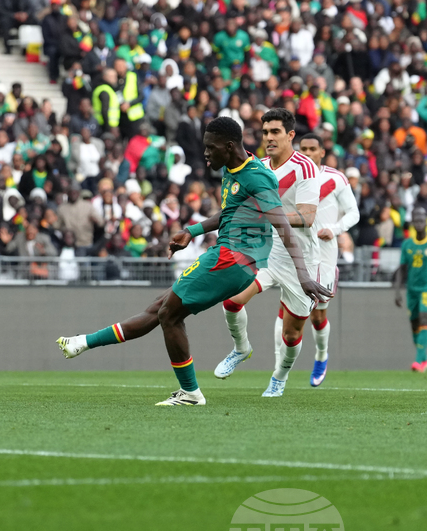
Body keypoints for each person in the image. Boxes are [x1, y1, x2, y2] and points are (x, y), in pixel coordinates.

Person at [56, 118, 329, 406]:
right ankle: (82, 343)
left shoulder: (257, 177)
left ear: (229, 146)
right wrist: (192, 231)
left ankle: (190, 393)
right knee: (159, 309)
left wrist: (303, 275)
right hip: (229, 257)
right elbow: (230, 213)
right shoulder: (232, 168)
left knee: (168, 316)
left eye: (211, 148)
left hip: (233, 259)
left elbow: (283, 227)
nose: (206, 154)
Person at [216, 109, 323, 397]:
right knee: (232, 299)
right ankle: (241, 349)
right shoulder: (258, 167)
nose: (269, 138)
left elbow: (307, 215)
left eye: (275, 132)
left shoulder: (306, 168)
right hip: (266, 253)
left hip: (301, 258)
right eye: (265, 133)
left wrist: (269, 213)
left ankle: (280, 376)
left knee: (290, 335)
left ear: (290, 135)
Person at [296, 133, 359, 386]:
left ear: (322, 152)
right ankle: (280, 372)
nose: (308, 153)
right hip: (296, 253)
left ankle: (321, 355)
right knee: (287, 311)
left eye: (313, 149)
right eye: (304, 149)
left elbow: (354, 213)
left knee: (318, 315)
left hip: (324, 255)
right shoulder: (292, 177)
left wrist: (334, 229)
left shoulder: (335, 178)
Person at [396, 207, 427, 372]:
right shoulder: (407, 244)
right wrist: (397, 292)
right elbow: (402, 268)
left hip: (426, 289)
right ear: (413, 223)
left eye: (422, 219)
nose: (419, 223)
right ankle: (423, 358)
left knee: (424, 318)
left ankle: (418, 361)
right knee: (414, 323)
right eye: (416, 220)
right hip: (411, 290)